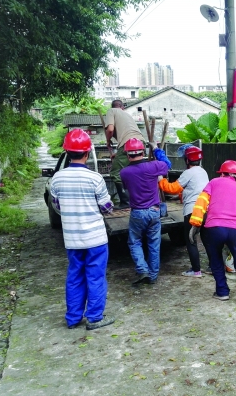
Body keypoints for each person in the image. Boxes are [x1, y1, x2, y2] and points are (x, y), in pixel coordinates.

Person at [50, 129, 115, 330]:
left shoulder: (57, 179)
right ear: (87, 153)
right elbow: (106, 208)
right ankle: (94, 318)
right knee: (95, 277)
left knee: (75, 276)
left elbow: (57, 206)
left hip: (72, 239)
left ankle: (73, 318)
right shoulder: (95, 178)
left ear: (67, 152)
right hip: (95, 239)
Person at [189, 160, 236, 306]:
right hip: (235, 230)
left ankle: (222, 292)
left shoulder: (213, 183)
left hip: (213, 229)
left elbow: (201, 203)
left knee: (216, 260)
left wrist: (195, 224)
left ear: (222, 173)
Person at [120, 138, 169, 285]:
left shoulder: (124, 172)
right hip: (154, 211)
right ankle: (152, 277)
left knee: (135, 242)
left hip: (137, 212)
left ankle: (142, 269)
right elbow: (167, 164)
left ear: (128, 155)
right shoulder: (153, 166)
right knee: (154, 244)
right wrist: (156, 149)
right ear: (143, 152)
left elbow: (126, 188)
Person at [158, 145, 209, 277]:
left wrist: (161, 180)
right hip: (205, 210)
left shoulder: (188, 173)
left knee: (191, 240)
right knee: (207, 240)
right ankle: (213, 267)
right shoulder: (203, 172)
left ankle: (196, 270)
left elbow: (172, 188)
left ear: (187, 160)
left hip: (192, 211)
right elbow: (193, 189)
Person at [105, 99, 145, 209]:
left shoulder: (111, 111)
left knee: (116, 172)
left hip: (128, 143)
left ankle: (125, 202)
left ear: (113, 106)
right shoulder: (127, 115)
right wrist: (118, 154)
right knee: (134, 170)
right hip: (140, 142)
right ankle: (137, 198)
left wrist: (108, 140)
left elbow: (110, 129)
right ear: (122, 107)